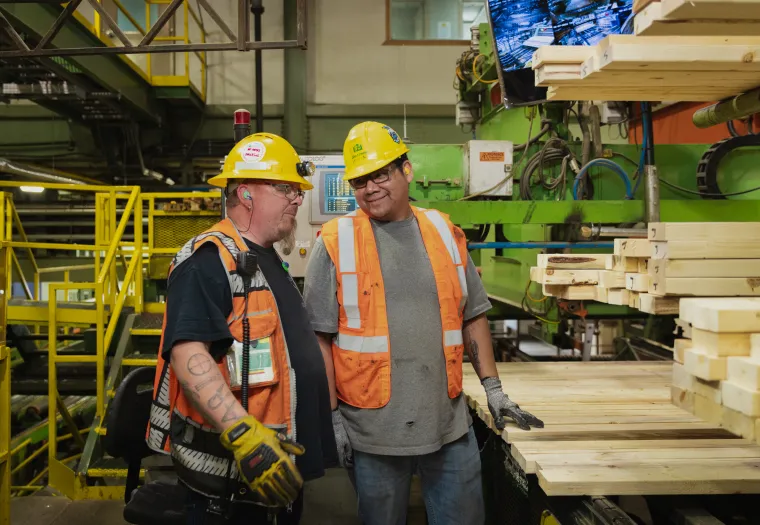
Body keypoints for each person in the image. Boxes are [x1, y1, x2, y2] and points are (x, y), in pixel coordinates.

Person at [303, 121, 544, 525]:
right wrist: (331, 418)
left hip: (449, 426)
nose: (370, 188)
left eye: (380, 174)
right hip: (372, 434)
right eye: (360, 180)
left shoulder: (444, 231)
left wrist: (494, 390)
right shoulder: (334, 241)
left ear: (406, 170)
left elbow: (474, 315)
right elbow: (320, 340)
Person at [146, 133, 337, 524]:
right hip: (229, 484)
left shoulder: (265, 260)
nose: (298, 199)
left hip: (273, 473)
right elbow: (188, 354)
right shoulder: (207, 259)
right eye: (287, 188)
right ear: (247, 194)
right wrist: (245, 437)